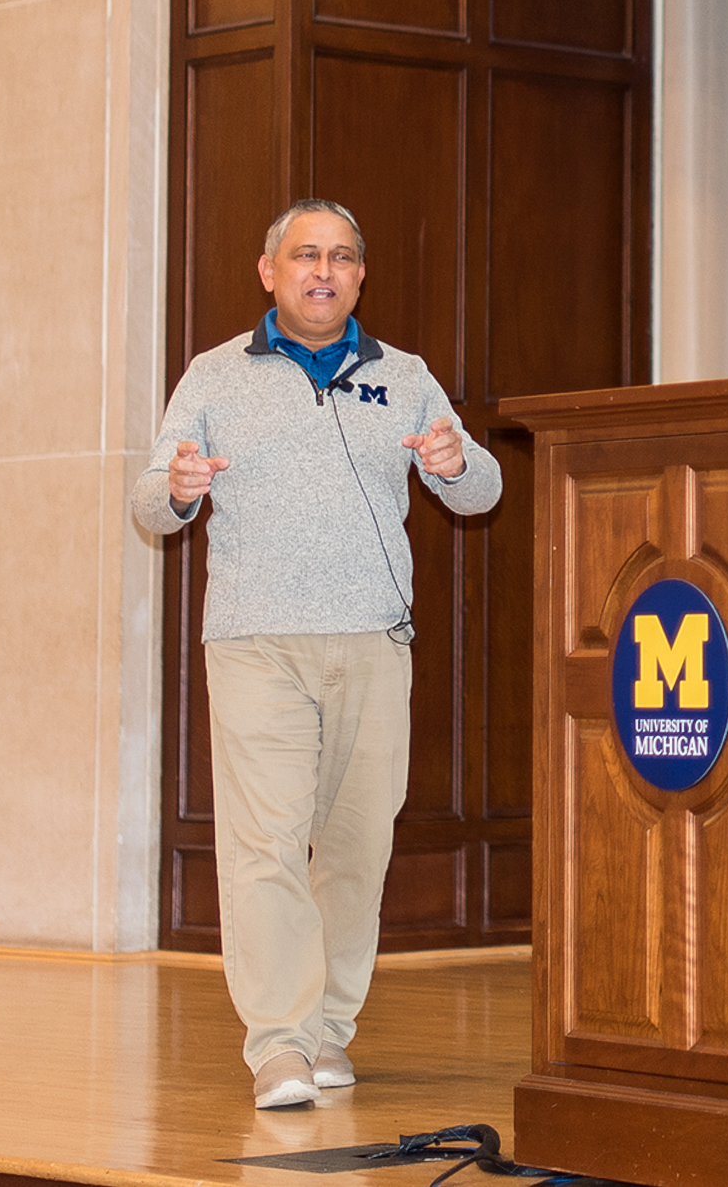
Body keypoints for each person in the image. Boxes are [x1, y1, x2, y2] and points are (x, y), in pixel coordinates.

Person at [131, 199, 502, 1108]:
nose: (322, 271)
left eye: (340, 257)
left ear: (360, 275)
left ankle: (330, 1030)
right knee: (263, 845)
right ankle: (280, 1046)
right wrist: (177, 491)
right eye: (305, 256)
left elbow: (481, 489)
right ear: (270, 271)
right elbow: (148, 499)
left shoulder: (405, 376)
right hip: (257, 643)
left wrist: (455, 463)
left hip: (373, 644)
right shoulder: (214, 376)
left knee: (355, 846)